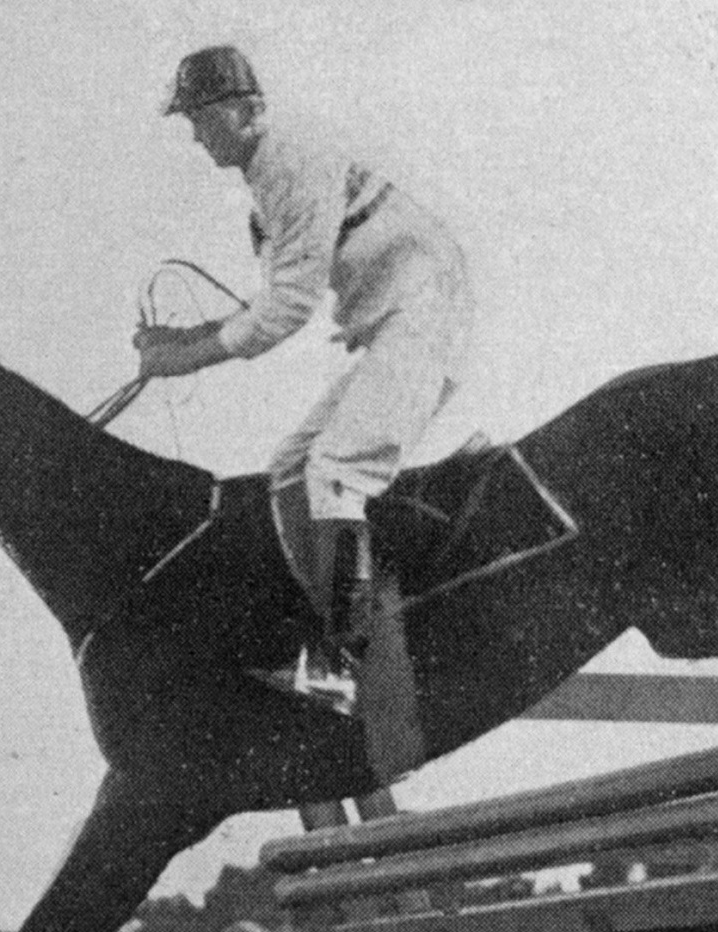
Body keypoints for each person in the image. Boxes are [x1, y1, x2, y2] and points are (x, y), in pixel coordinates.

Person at [137, 45, 474, 695]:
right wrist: (181, 338)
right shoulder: (266, 184)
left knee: (335, 471)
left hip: (427, 317)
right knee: (291, 468)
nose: (197, 135)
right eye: (191, 122)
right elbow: (271, 301)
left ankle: (352, 661)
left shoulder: (288, 162)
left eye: (204, 118)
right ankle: (326, 634)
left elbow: (285, 311)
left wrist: (179, 359)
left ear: (247, 110)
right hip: (401, 324)